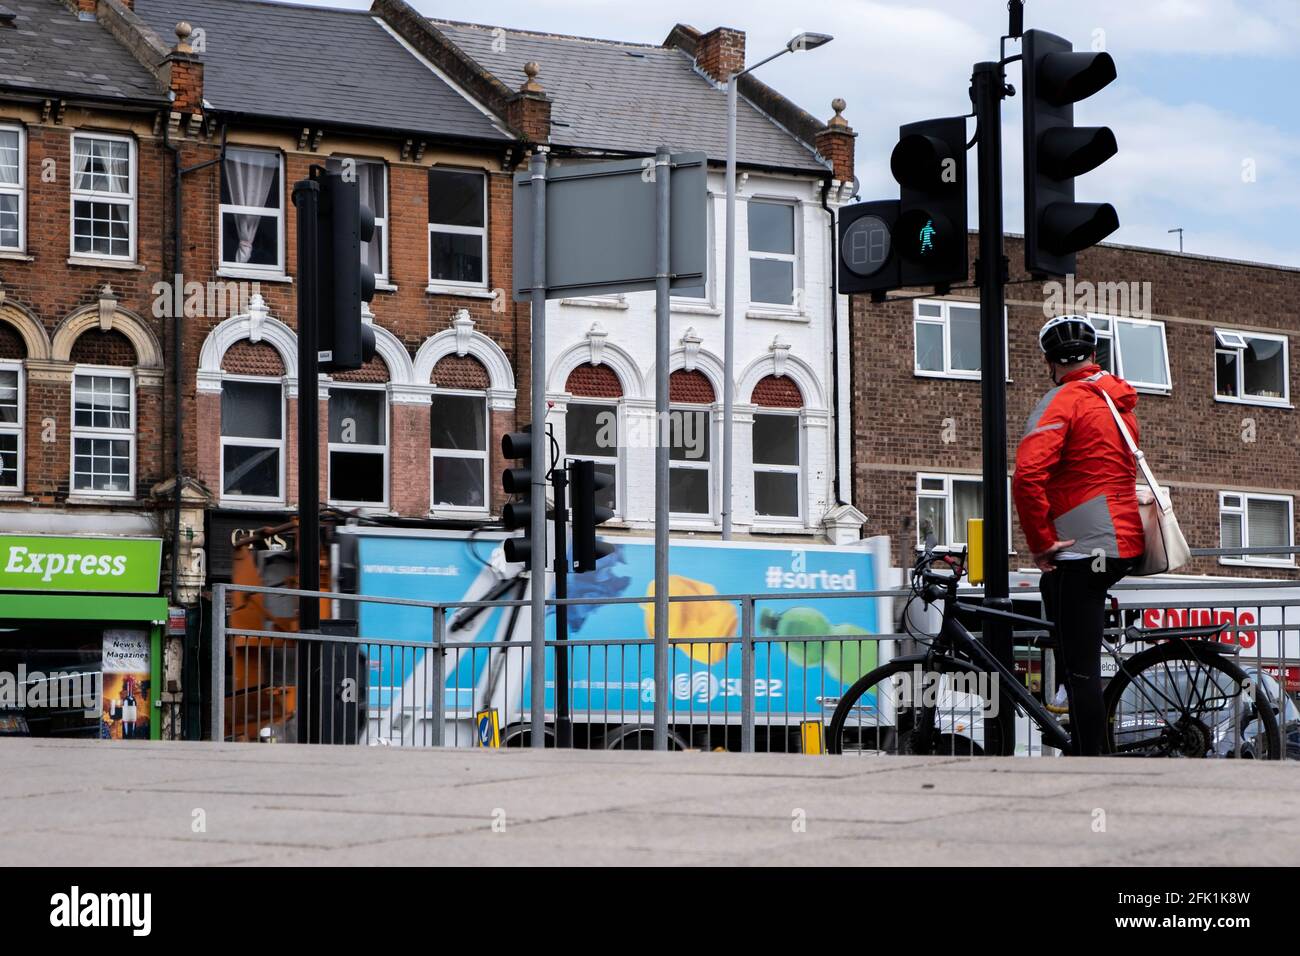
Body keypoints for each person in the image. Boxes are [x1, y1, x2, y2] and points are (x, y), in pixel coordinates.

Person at [1012, 315, 1145, 756]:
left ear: (1050, 362)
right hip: (1122, 541)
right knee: (1060, 608)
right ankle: (1072, 711)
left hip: (1086, 546)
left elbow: (1028, 476)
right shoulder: (1116, 402)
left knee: (1082, 667)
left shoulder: (1064, 400)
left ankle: (1093, 762)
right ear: (1094, 356)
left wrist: (1040, 541)